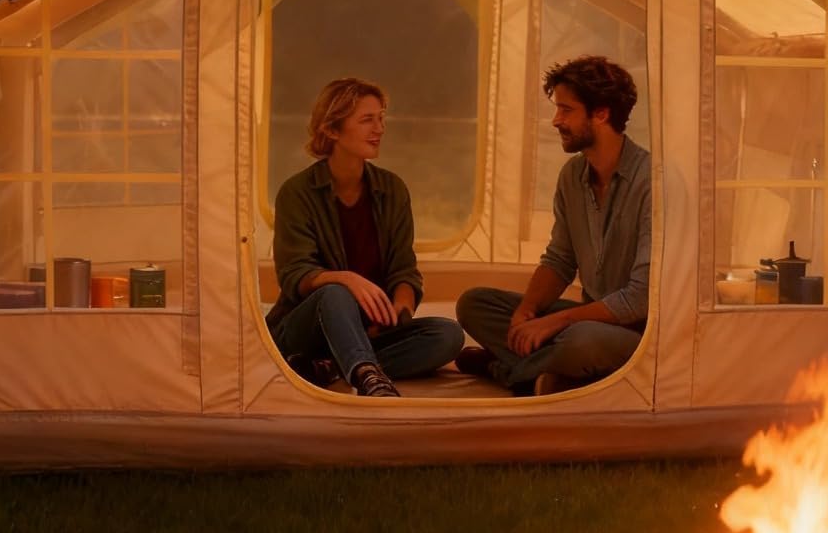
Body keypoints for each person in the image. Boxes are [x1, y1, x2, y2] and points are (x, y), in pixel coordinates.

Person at [456, 56, 650, 395]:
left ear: (601, 113)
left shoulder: (653, 182)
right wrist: (528, 312)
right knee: (474, 304)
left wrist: (557, 321)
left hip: (637, 332)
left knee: (580, 340)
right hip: (587, 317)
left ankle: (505, 370)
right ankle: (553, 373)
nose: (556, 120)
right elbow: (560, 260)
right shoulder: (572, 176)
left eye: (566, 110)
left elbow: (640, 298)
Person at [267, 77, 465, 397]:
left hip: (368, 332)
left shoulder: (392, 190)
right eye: (367, 120)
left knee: (447, 335)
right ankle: (367, 376)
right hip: (305, 328)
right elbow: (294, 275)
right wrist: (347, 279)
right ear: (332, 129)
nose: (380, 128)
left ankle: (332, 367)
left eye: (381, 117)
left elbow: (404, 270)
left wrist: (398, 315)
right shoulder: (297, 192)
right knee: (336, 293)